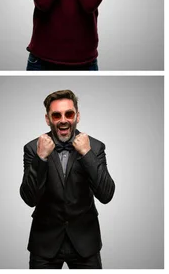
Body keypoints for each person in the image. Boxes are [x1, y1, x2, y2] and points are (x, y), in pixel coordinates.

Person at [20, 89, 115, 268]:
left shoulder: (94, 147)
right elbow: (29, 198)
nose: (63, 120)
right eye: (56, 115)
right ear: (48, 119)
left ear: (77, 116)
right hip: (45, 242)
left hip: (85, 242)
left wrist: (87, 154)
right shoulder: (33, 148)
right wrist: (41, 158)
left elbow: (106, 194)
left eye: (68, 114)